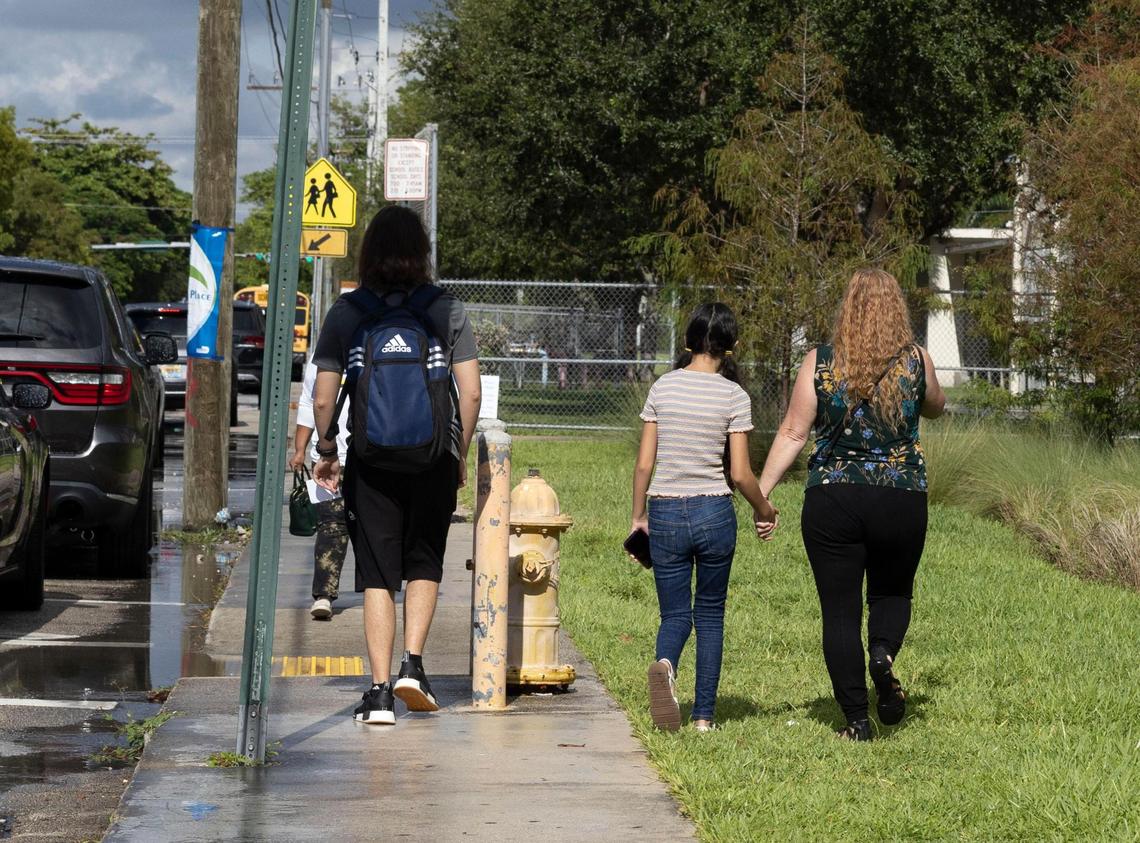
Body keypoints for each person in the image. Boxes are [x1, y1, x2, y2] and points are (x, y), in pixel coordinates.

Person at [756, 268, 945, 741]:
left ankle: (858, 721)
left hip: (833, 498)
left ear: (849, 307)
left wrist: (763, 494)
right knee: (893, 593)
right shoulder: (916, 360)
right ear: (896, 309)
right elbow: (936, 405)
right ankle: (882, 654)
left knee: (840, 611)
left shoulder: (819, 362)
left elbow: (794, 432)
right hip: (901, 497)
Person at [311, 206, 481, 726]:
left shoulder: (348, 312)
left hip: (372, 461)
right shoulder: (446, 309)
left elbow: (323, 398)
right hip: (433, 458)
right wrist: (458, 453)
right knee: (424, 560)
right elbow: (471, 393)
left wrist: (327, 450)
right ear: (421, 252)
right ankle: (414, 666)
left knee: (378, 574)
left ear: (369, 253)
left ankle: (380, 693)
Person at [630, 303, 778, 733]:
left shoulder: (663, 387)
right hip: (714, 511)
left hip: (665, 511)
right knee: (710, 615)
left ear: (687, 341)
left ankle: (665, 664)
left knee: (674, 615)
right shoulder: (734, 396)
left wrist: (639, 518)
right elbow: (740, 474)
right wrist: (764, 510)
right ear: (732, 347)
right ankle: (703, 718)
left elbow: (644, 465)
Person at [290, 361, 350, 621]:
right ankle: (325, 594)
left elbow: (312, 403)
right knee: (332, 524)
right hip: (329, 456)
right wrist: (300, 449)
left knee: (338, 528)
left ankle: (327, 595)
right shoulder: (323, 355)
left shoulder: (375, 344)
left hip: (363, 456)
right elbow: (310, 402)